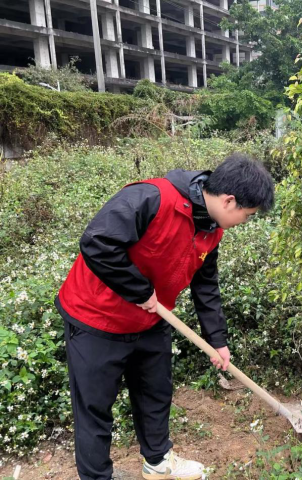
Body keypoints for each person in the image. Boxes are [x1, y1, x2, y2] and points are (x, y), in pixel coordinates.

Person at [55, 154, 274, 480]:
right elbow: (98, 242)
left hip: (151, 320)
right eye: (248, 214)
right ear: (229, 200)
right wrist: (140, 290)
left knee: (155, 394)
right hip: (96, 318)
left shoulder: (211, 229)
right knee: (94, 409)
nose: (246, 220)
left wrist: (218, 341)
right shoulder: (151, 198)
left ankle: (157, 463)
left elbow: (205, 285)